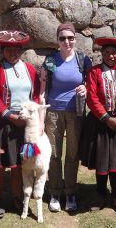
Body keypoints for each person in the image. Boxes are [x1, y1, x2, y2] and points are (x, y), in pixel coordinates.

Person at [80, 36, 116, 216]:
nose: (110, 56)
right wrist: (106, 118)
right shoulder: (94, 72)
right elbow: (92, 97)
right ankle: (100, 194)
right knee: (101, 159)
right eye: (106, 53)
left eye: (114, 53)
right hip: (100, 122)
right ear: (101, 54)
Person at [39, 23, 91, 212]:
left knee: (72, 154)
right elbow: (42, 91)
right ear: (57, 40)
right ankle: (54, 191)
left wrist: (85, 87)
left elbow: (90, 82)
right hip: (53, 113)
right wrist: (41, 118)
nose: (67, 42)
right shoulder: (50, 61)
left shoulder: (82, 59)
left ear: (75, 39)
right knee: (53, 154)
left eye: (70, 38)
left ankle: (70, 192)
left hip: (76, 112)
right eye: (63, 38)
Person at [0, 30, 40, 219]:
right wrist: (10, 116)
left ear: (21, 50)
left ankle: (18, 198)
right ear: (2, 50)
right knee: (1, 164)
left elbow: (34, 94)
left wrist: (31, 113)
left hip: (25, 122)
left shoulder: (29, 69)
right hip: (4, 123)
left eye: (16, 49)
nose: (13, 52)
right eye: (8, 49)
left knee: (20, 162)